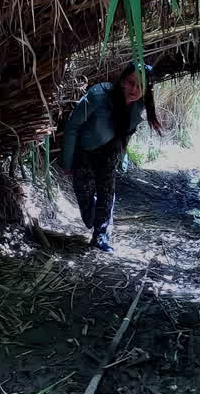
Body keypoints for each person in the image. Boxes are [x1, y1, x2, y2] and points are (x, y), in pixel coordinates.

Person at [60, 63, 163, 252]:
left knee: (106, 193)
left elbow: (128, 133)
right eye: (131, 82)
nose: (134, 89)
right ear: (122, 80)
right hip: (85, 151)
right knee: (85, 200)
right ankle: (95, 220)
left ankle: (101, 237)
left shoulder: (140, 105)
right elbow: (72, 126)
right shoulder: (99, 95)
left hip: (110, 152)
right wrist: (67, 162)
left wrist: (123, 157)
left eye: (140, 86)